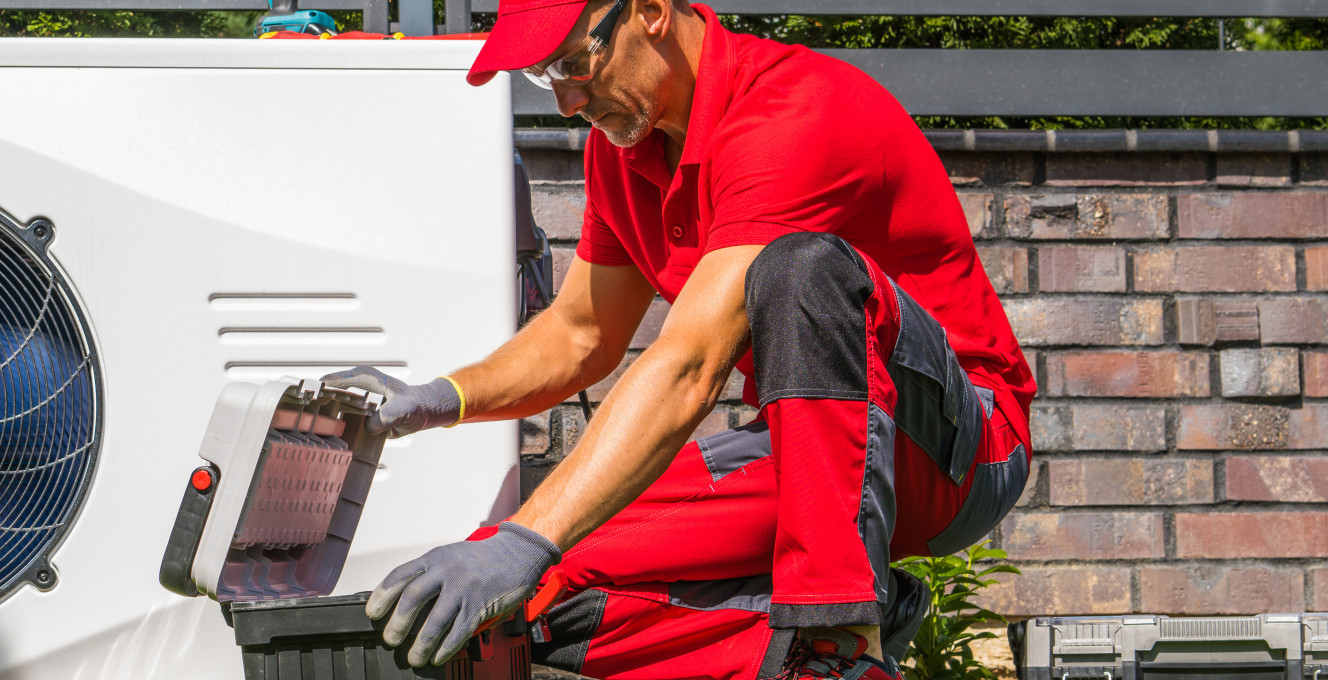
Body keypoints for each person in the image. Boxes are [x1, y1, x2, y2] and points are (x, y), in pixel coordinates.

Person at [321, 1, 1034, 677]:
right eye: (544, 78)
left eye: (574, 64)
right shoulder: (625, 150)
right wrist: (438, 400)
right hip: (815, 459)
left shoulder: (792, 111)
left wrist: (526, 535)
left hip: (954, 453)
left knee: (800, 270)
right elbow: (580, 335)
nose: (567, 102)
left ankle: (839, 638)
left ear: (651, 12)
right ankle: (826, 629)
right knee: (528, 583)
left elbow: (691, 361)